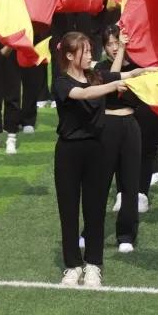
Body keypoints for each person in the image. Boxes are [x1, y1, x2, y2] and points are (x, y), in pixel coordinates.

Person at [51, 32, 128, 288]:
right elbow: (83, 94)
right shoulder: (61, 82)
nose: (89, 55)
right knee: (68, 210)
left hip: (97, 150)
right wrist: (111, 87)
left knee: (95, 209)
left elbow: (124, 75)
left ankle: (93, 265)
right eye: (84, 51)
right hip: (68, 153)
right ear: (70, 56)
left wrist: (152, 70)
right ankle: (72, 266)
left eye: (89, 50)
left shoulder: (96, 75)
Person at [94, 25, 153, 252]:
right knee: (99, 183)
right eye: (109, 44)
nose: (113, 48)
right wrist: (122, 50)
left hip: (130, 126)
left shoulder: (138, 68)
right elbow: (112, 80)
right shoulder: (99, 69)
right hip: (106, 127)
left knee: (130, 183)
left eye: (117, 42)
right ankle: (90, 231)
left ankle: (126, 235)